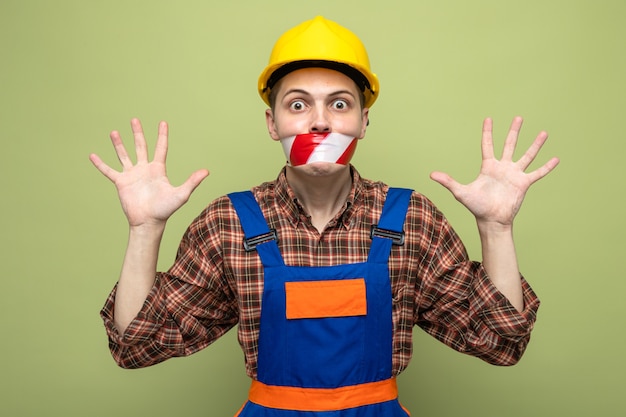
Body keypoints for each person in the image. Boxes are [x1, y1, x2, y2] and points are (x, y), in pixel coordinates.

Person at [90, 16, 559, 416]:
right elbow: (135, 346)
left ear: (363, 121)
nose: (320, 121)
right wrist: (144, 230)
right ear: (272, 122)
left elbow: (501, 343)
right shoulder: (228, 223)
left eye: (340, 103)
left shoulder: (410, 219)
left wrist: (496, 230)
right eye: (298, 104)